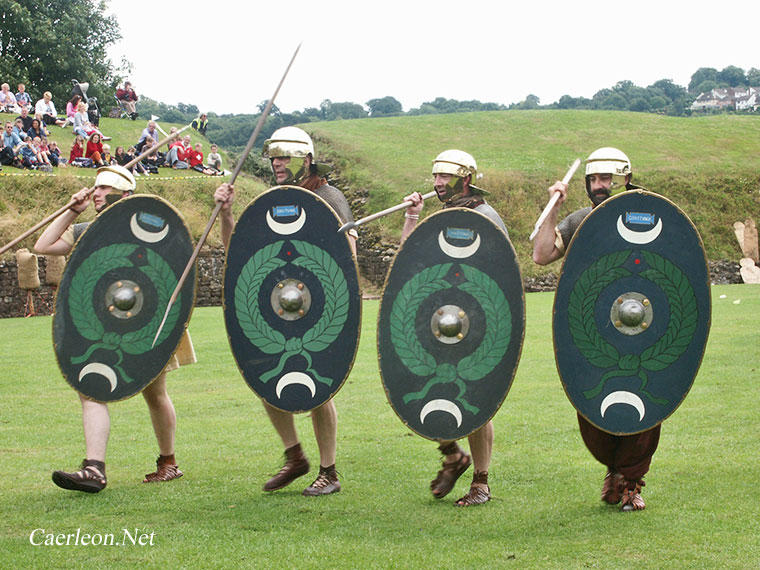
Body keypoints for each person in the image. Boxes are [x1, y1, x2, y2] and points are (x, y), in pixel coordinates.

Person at [213, 126, 358, 496]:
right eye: (274, 156)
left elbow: (349, 258)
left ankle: (329, 471)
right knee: (265, 379)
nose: (277, 162)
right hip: (275, 307)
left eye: (284, 156)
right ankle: (295, 456)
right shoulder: (273, 200)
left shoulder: (329, 197)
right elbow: (238, 252)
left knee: (320, 387)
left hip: (322, 309)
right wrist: (228, 213)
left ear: (306, 159)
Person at [34, 164, 194, 493]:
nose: (97, 193)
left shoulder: (151, 228)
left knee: (155, 392)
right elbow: (44, 246)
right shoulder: (87, 230)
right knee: (90, 386)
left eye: (105, 189)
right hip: (102, 323)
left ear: (124, 194)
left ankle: (169, 462)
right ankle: (94, 468)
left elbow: (176, 272)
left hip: (145, 324)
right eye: (96, 188)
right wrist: (70, 211)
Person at [532, 147, 656, 512]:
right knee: (595, 402)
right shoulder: (580, 220)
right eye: (594, 179)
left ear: (624, 179)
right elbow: (540, 255)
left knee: (643, 402)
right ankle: (614, 470)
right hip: (594, 330)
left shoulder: (646, 215)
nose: (599, 186)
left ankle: (631, 483)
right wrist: (555, 205)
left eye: (607, 179)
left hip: (641, 326)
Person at [401, 150, 507, 506]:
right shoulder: (441, 216)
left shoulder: (486, 217)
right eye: (435, 177)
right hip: (439, 323)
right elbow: (407, 263)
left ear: (465, 179)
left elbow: (502, 274)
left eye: (445, 177)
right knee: (419, 390)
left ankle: (481, 482)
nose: (437, 183)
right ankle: (451, 454)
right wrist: (413, 218)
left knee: (476, 399)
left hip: (477, 325)